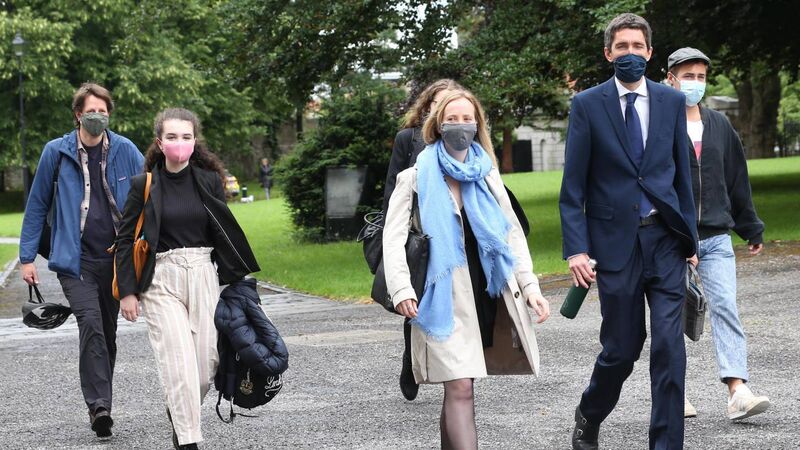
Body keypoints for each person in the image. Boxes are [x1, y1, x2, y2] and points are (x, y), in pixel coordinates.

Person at [559, 13, 697, 450]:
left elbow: (682, 176)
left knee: (669, 349)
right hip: (614, 245)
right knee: (622, 348)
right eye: (622, 47)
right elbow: (572, 187)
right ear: (608, 53)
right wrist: (576, 249)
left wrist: (690, 239)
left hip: (666, 241)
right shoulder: (587, 105)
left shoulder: (671, 101)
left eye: (638, 47)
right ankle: (590, 411)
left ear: (650, 53)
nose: (631, 54)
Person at [384, 90, 550, 448]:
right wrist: (401, 289)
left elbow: (511, 234)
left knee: (462, 385)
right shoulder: (414, 178)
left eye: (467, 119)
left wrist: (530, 287)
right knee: (460, 386)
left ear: (478, 125)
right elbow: (392, 238)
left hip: (484, 294)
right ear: (437, 125)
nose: (460, 126)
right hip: (439, 296)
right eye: (452, 119)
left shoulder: (487, 175)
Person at [115, 108, 260, 449]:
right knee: (178, 364)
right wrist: (128, 292)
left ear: (195, 141)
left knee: (205, 366)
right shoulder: (143, 185)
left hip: (202, 274)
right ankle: (188, 440)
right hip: (161, 279)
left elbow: (223, 230)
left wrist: (237, 278)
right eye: (171, 137)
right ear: (159, 143)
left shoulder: (208, 181)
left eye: (185, 136)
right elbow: (124, 240)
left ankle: (179, 412)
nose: (179, 143)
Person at [18, 83, 143, 439]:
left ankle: (103, 400)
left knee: (107, 332)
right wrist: (27, 258)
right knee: (90, 323)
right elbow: (37, 205)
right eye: (91, 111)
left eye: (103, 111)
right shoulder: (55, 152)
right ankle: (99, 407)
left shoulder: (126, 150)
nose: (98, 117)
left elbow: (150, 194)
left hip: (115, 260)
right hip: (76, 261)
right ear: (78, 114)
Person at [666, 47, 770, 421]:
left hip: (716, 238)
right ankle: (674, 393)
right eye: (688, 76)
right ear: (671, 79)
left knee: (725, 307)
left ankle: (737, 391)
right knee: (671, 317)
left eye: (701, 76)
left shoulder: (720, 126)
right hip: (672, 239)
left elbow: (736, 179)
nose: (695, 83)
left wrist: (750, 227)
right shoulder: (660, 125)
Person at [382, 78, 463, 401]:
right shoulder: (409, 139)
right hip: (420, 233)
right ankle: (411, 357)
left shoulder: (464, 138)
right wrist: (394, 234)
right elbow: (393, 187)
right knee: (417, 299)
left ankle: (454, 374)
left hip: (454, 231)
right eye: (437, 103)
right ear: (427, 107)